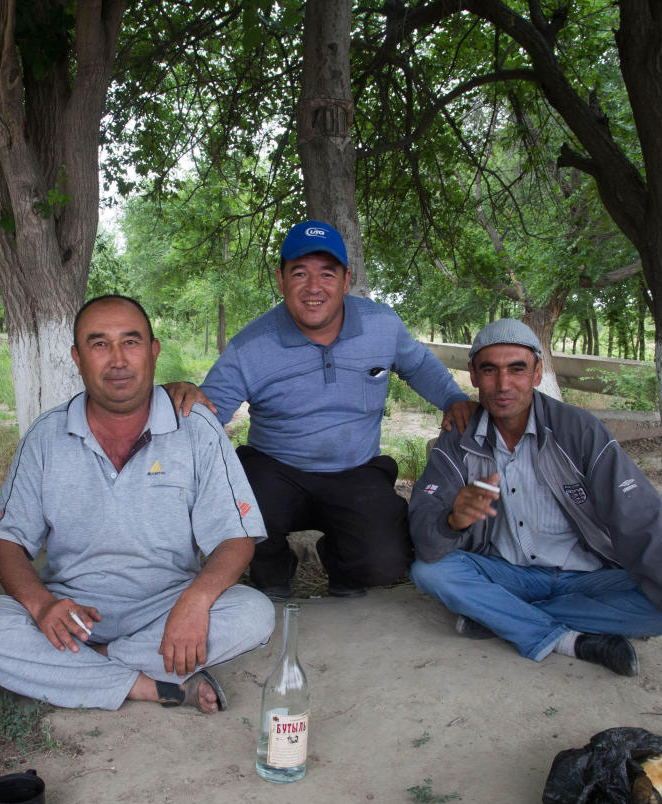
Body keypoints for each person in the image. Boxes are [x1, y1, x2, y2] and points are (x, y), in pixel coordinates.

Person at [0, 295, 274, 713]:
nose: (117, 360)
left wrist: (195, 603)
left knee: (254, 613)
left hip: (169, 610)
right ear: (77, 358)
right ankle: (152, 685)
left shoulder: (196, 429)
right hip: (72, 616)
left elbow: (236, 537)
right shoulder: (47, 436)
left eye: (131, 342)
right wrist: (43, 606)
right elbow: (5, 542)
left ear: (154, 352)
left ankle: (76, 672)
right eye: (99, 344)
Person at [407, 318, 662, 680]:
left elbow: (641, 519)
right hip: (508, 573)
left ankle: (498, 616)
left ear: (537, 373)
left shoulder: (578, 430)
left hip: (588, 575)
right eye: (490, 370)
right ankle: (570, 640)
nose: (503, 385)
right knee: (431, 571)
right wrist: (453, 520)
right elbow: (426, 537)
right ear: (472, 374)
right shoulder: (460, 438)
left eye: (517, 369)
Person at [167, 220, 476, 600]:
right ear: (280, 280)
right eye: (300, 273)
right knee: (244, 505)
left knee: (386, 560)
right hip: (275, 468)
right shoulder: (252, 345)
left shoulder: (382, 325)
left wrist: (453, 398)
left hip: (356, 470)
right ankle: (275, 568)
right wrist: (179, 400)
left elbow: (418, 366)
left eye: (327, 274)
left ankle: (341, 565)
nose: (314, 288)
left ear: (346, 281)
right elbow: (207, 413)